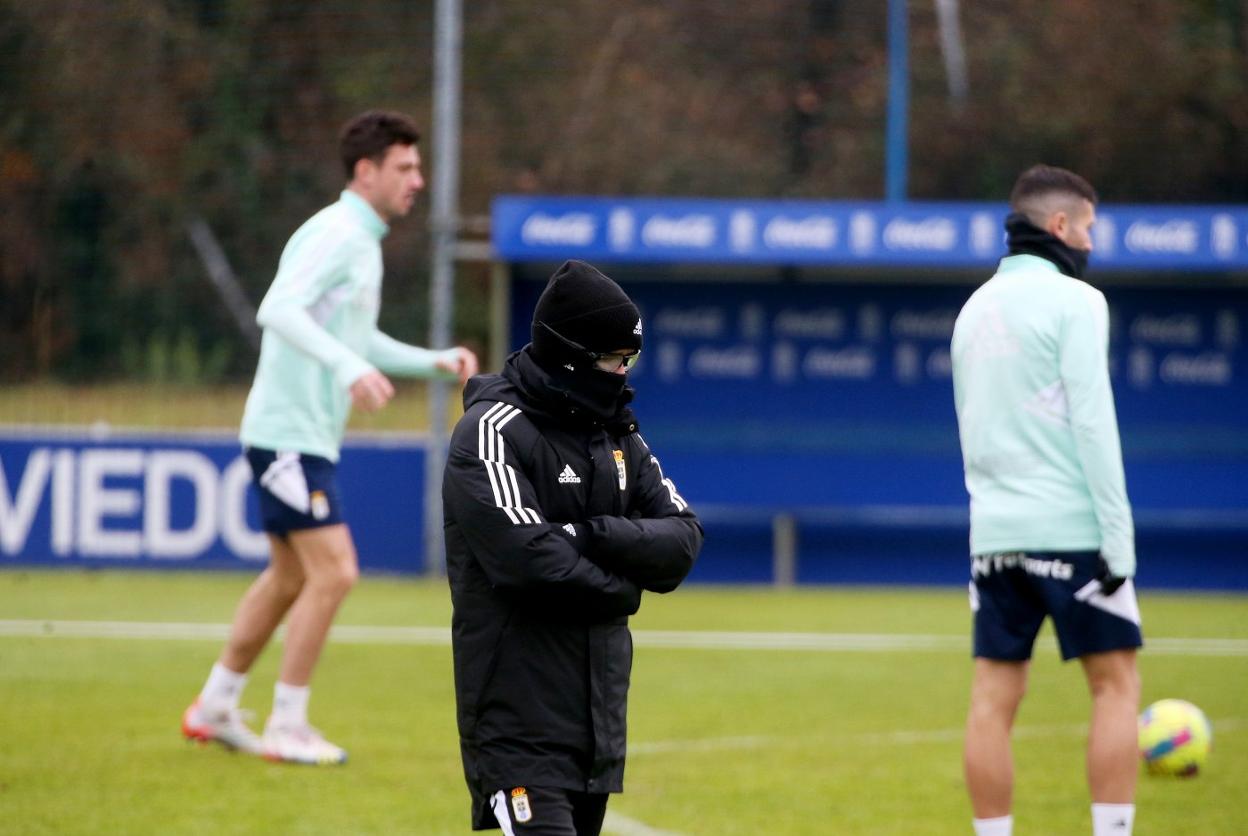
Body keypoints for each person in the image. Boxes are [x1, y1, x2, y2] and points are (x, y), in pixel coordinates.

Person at [182, 110, 478, 765]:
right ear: (365, 171)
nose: (418, 181)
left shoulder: (361, 241)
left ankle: (215, 705)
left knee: (290, 577)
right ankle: (288, 725)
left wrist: (429, 360)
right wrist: (349, 367)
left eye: (417, 167)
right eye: (405, 167)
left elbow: (354, 340)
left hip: (305, 437)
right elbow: (278, 309)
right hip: (287, 436)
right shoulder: (338, 232)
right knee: (336, 571)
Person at [442, 260, 703, 834]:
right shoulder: (490, 431)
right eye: (614, 361)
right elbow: (529, 562)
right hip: (516, 729)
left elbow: (682, 539)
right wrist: (624, 588)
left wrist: (592, 534)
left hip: (597, 731)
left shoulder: (616, 433)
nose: (623, 374)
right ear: (570, 357)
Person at [950, 164, 1143, 836]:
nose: (1091, 241)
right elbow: (1094, 424)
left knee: (992, 700)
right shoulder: (1078, 302)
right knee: (1116, 687)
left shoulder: (973, 309)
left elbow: (971, 428)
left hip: (994, 535)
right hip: (1073, 530)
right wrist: (1118, 541)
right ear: (1060, 226)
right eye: (1089, 227)